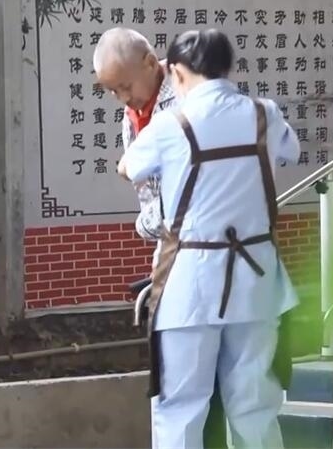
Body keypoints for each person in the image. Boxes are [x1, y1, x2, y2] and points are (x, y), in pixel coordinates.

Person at [117, 29, 301, 448]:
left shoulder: (170, 124)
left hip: (190, 286)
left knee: (181, 408)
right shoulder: (264, 114)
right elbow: (291, 149)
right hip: (256, 281)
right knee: (255, 405)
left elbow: (128, 167)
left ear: (178, 73)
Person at [93, 27, 229, 448]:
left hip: (214, 256)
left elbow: (194, 194)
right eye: (113, 91)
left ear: (152, 63)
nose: (122, 98)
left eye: (125, 86)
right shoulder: (134, 113)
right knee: (176, 393)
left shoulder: (192, 98)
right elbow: (152, 195)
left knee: (211, 393)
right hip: (174, 259)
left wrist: (147, 224)